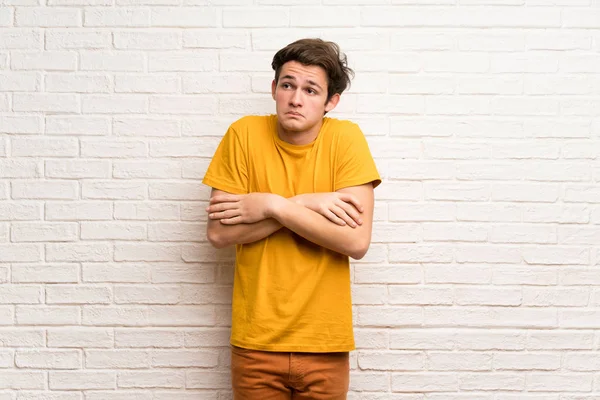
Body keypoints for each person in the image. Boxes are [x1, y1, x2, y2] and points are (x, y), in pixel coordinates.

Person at [203, 38, 381, 400]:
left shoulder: (346, 139)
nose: (296, 99)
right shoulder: (244, 134)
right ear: (274, 89)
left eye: (311, 90)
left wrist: (275, 205)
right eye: (288, 85)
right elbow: (220, 233)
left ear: (331, 101)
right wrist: (311, 205)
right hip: (256, 343)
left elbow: (355, 242)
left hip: (324, 343)